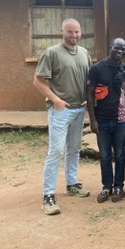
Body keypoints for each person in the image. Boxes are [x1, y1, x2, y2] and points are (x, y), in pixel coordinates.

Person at [33, 18, 92, 215]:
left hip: (78, 110)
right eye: (70, 32)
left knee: (74, 149)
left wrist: (87, 99)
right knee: (56, 150)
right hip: (60, 110)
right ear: (62, 31)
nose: (74, 35)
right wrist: (55, 100)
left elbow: (89, 80)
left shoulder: (84, 53)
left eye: (77, 32)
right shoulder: (51, 53)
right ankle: (48, 196)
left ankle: (72, 184)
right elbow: (38, 81)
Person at [87, 37, 125, 203]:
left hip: (121, 120)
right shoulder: (97, 69)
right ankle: (106, 187)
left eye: (123, 49)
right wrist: (92, 120)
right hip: (101, 119)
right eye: (117, 48)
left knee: (121, 155)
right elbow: (89, 94)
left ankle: (118, 186)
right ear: (110, 48)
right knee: (105, 155)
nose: (120, 51)